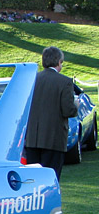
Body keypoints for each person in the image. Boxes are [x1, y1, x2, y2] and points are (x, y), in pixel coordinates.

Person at [24, 46, 79, 181]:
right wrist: (76, 106)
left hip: (32, 138)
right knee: (51, 179)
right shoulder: (64, 82)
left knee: (33, 180)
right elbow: (68, 110)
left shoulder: (31, 80)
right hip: (53, 139)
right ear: (59, 62)